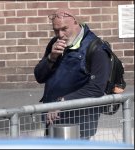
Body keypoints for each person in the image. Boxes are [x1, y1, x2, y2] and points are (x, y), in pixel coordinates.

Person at [34, 9, 111, 139]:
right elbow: (39, 77)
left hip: (79, 121)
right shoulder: (54, 43)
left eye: (64, 29)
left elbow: (97, 88)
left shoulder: (96, 48)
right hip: (53, 119)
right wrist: (51, 58)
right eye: (56, 30)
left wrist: (63, 102)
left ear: (76, 23)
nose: (60, 34)